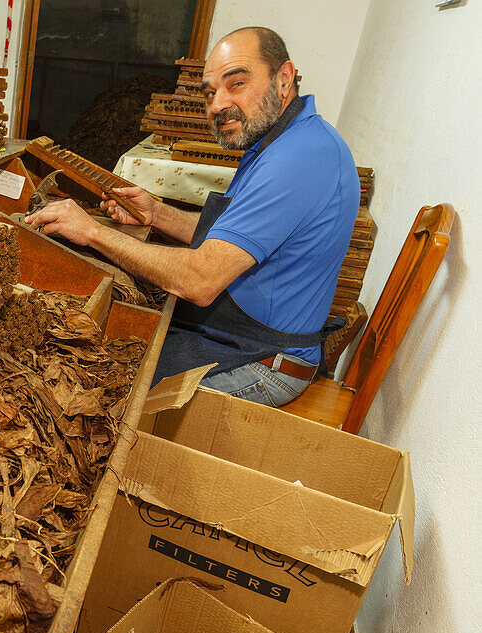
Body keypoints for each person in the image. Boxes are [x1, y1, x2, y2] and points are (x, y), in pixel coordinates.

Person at [24, 27, 359, 407]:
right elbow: (230, 238)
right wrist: (157, 214)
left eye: (236, 84)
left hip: (263, 362)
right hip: (235, 334)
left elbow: (201, 279)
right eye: (209, 93)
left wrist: (91, 233)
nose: (218, 105)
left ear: (284, 79)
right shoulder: (283, 140)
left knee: (102, 393)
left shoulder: (298, 159)